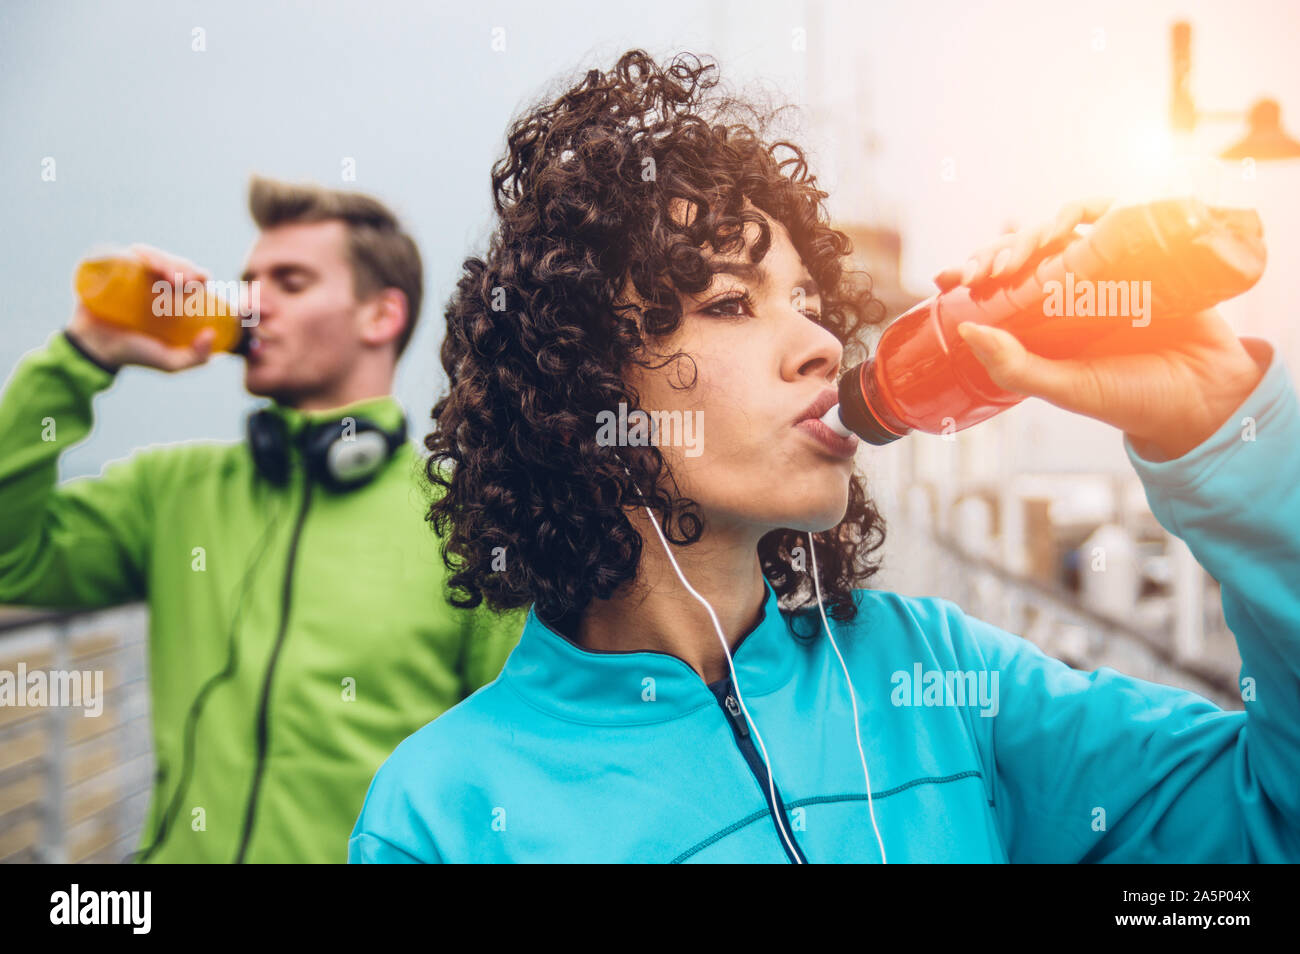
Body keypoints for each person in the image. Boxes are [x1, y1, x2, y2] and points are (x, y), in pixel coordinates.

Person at [348, 50, 1300, 863]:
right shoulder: (446, 813)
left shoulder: (940, 680)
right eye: (730, 302)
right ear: (578, 387)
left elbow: (1272, 821)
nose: (817, 343)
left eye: (809, 301)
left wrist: (1225, 426)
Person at [0, 176, 525, 863]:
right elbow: (12, 557)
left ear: (381, 316)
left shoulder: (464, 520)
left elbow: (509, 768)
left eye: (291, 282)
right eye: (248, 282)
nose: (251, 303)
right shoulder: (171, 490)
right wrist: (84, 353)